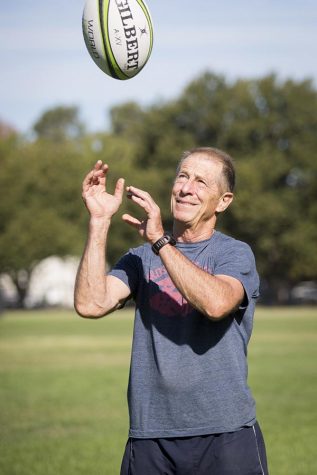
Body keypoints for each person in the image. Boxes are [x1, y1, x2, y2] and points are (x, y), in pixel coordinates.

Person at [74, 147, 269, 475]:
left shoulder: (234, 254)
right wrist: (99, 221)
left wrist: (160, 243)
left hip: (225, 434)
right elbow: (90, 304)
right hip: (151, 437)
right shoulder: (140, 258)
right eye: (182, 176)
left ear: (224, 201)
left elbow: (217, 303)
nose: (186, 188)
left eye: (201, 182)